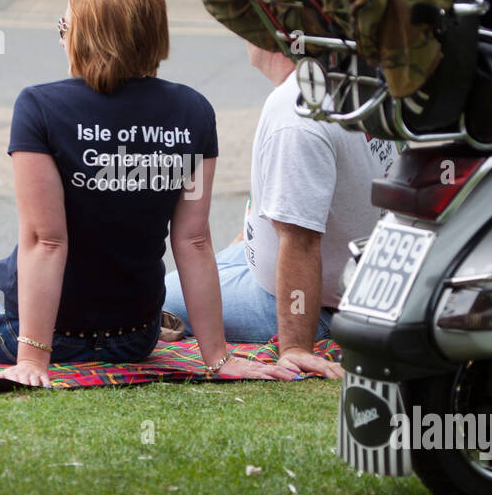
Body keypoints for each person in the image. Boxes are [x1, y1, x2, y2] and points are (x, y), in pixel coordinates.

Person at [0, 0, 292, 388]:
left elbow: (46, 241)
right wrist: (217, 358)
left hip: (18, 326)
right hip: (134, 336)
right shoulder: (194, 112)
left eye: (64, 25)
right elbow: (193, 241)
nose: (62, 36)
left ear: (83, 35)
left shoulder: (40, 107)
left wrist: (32, 358)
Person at [161, 43, 396, 381]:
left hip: (311, 305)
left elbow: (300, 240)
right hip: (298, 277)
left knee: (157, 298)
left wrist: (296, 348)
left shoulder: (295, 111)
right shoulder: (344, 75)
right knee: (186, 279)